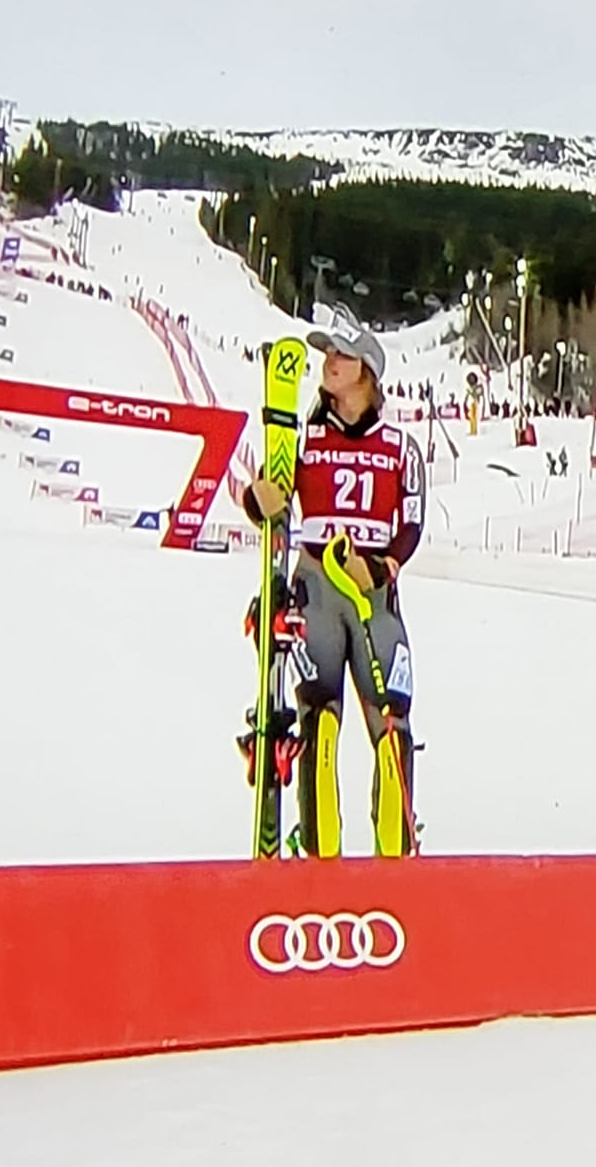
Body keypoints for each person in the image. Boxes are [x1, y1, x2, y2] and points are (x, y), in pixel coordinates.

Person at [244, 305, 425, 857]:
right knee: (319, 717)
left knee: (389, 719)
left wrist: (380, 566)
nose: (329, 363)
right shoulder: (304, 438)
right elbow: (267, 502)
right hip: (317, 583)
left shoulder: (400, 446)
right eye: (327, 354)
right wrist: (259, 501)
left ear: (368, 372)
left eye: (341, 356)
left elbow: (412, 522)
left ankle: (393, 843)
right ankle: (321, 848)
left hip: (370, 590)